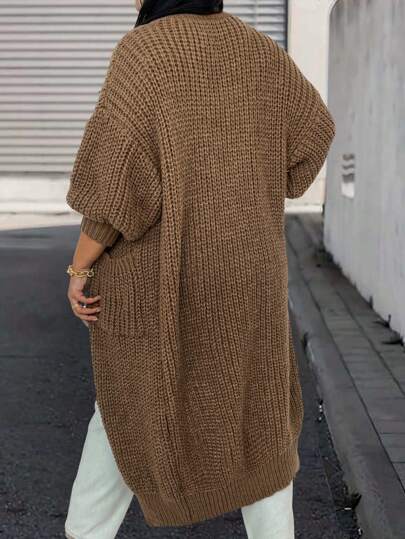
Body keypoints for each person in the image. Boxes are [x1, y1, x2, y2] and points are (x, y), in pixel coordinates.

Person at [64, 0, 336, 537]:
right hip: (251, 276)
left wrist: (78, 270)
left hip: (165, 281)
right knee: (260, 417)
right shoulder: (258, 48)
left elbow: (114, 190)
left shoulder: (143, 53)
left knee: (130, 406)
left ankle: (85, 531)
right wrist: (257, 174)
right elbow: (314, 134)